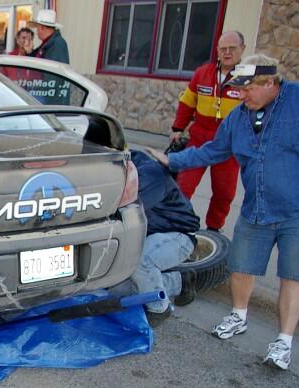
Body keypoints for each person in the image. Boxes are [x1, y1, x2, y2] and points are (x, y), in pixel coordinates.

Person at [149, 54, 299, 370]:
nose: (240, 96)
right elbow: (214, 151)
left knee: (292, 276)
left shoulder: (295, 102)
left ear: (270, 83)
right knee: (241, 266)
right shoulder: (238, 117)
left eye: (247, 90)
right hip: (255, 209)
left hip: (294, 213)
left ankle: (284, 342)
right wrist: (172, 161)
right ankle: (238, 316)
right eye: (238, 90)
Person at [170, 31, 246, 231]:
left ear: (242, 49)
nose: (227, 52)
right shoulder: (203, 73)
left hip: (229, 146)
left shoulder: (249, 78)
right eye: (223, 49)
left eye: (232, 48)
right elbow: (187, 103)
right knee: (183, 186)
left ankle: (214, 229)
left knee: (224, 193)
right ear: (217, 51)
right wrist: (177, 128)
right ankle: (176, 225)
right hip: (199, 140)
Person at [115, 150, 201, 326]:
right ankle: (179, 281)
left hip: (178, 236)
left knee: (139, 261)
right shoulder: (121, 168)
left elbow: (125, 213)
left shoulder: (148, 175)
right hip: (153, 235)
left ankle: (159, 309)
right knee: (116, 291)